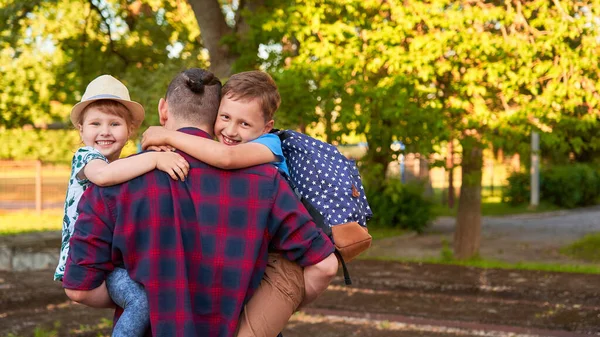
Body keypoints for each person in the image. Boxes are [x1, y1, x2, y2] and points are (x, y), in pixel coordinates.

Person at [62, 68, 338, 337]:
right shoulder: (266, 180)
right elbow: (324, 266)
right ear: (216, 113)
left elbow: (79, 287)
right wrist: (271, 311)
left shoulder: (112, 183)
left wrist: (150, 301)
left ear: (163, 110)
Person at [141, 70, 316, 337]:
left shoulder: (270, 145)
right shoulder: (225, 144)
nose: (231, 131)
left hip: (281, 253)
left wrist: (167, 136)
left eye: (244, 124)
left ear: (266, 127)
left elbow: (225, 158)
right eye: (224, 117)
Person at [55, 75, 190, 337]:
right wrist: (153, 159)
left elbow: (127, 173)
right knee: (141, 300)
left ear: (130, 130)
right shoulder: (87, 157)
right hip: (83, 259)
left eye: (114, 123)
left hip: (108, 259)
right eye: (95, 123)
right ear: (81, 130)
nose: (104, 131)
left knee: (146, 300)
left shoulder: (123, 163)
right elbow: (104, 176)